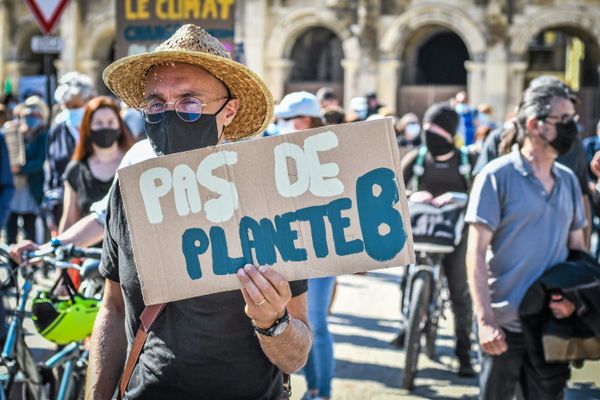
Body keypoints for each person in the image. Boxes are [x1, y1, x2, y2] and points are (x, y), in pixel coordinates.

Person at [85, 25, 311, 399]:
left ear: (229, 111)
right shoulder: (130, 191)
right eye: (156, 103)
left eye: (190, 101)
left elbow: (296, 356)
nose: (170, 114)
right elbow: (112, 306)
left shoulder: (271, 198)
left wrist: (273, 322)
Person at [465, 82, 587, 399]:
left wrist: (573, 301)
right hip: (503, 330)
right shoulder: (495, 176)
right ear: (534, 124)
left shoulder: (569, 181)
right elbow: (475, 253)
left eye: (573, 118)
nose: (571, 127)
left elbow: (578, 252)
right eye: (563, 120)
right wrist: (485, 321)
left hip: (550, 329)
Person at [395, 102, 476, 377]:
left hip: (455, 236)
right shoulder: (416, 159)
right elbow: (392, 188)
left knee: (459, 292)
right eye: (427, 128)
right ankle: (408, 326)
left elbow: (481, 196)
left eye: (436, 130)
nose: (430, 135)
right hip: (420, 233)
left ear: (450, 134)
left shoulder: (468, 162)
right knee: (406, 277)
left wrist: (460, 198)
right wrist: (411, 195)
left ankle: (464, 354)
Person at [274, 91, 335, 400]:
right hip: (285, 249)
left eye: (294, 119)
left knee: (317, 325)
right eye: (285, 120)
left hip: (321, 249)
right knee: (286, 323)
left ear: (309, 121)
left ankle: (320, 392)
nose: (288, 126)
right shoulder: (273, 151)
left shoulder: (328, 154)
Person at [59, 96, 132, 234]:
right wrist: (55, 248)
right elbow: (69, 220)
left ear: (119, 126)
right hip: (88, 253)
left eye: (110, 122)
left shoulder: (132, 163)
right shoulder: (75, 170)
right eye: (98, 123)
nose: (105, 127)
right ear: (88, 127)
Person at [44, 71, 97, 232]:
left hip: (92, 203)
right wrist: (49, 196)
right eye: (67, 106)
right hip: (63, 203)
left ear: (88, 101)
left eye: (75, 106)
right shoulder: (58, 130)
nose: (71, 111)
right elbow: (50, 166)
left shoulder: (99, 128)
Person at [5, 96, 48, 244]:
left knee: (30, 227)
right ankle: (12, 263)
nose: (31, 118)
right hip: (14, 187)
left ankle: (30, 263)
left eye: (35, 115)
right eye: (28, 115)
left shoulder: (43, 136)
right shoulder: (15, 132)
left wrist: (20, 169)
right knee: (10, 228)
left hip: (31, 188)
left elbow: (39, 161)